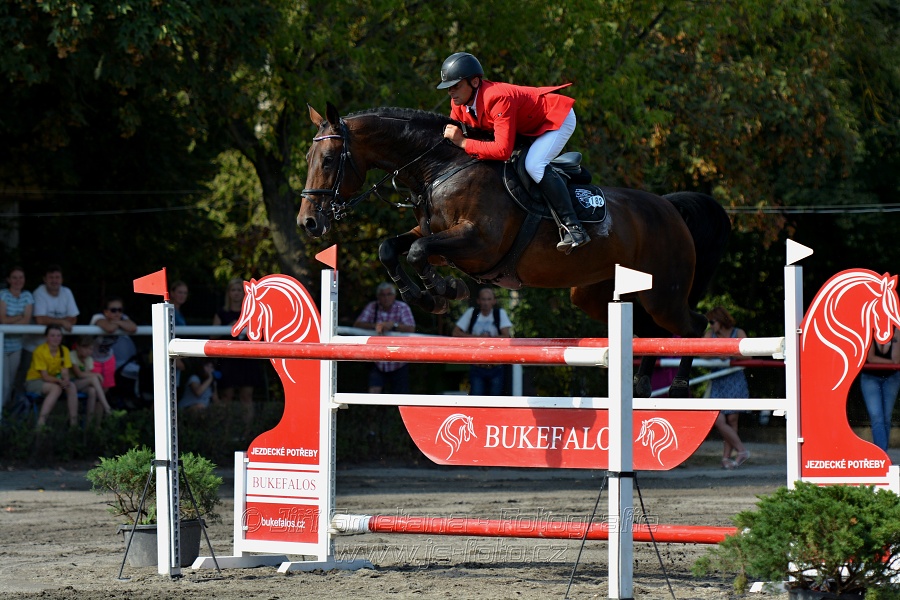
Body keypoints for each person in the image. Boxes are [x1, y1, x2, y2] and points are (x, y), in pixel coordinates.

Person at [437, 51, 590, 254]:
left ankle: (574, 227)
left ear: (474, 82)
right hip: (526, 126)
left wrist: (463, 142)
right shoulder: (459, 104)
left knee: (534, 165)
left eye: (456, 86)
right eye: (448, 87)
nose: (451, 92)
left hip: (555, 119)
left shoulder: (497, 98)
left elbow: (502, 150)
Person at [213, 278, 264, 437]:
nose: (236, 293)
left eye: (239, 290)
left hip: (248, 358)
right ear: (228, 293)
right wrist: (228, 328)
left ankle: (246, 434)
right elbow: (212, 337)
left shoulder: (253, 312)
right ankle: (225, 434)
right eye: (233, 290)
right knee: (227, 396)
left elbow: (261, 334)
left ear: (244, 293)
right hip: (228, 359)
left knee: (246, 396)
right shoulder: (221, 313)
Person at [704, 307, 751, 469]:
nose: (710, 325)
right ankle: (742, 450)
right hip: (717, 381)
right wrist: (717, 353)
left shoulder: (738, 332)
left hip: (734, 379)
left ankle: (726, 458)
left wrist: (729, 352)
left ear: (720, 320)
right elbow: (701, 352)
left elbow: (748, 355)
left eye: (712, 322)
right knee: (718, 419)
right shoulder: (710, 335)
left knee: (732, 420)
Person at [353, 282, 416, 393]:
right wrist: (375, 326)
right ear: (378, 296)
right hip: (378, 359)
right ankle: (374, 406)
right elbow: (357, 324)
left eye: (389, 294)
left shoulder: (402, 307)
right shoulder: (373, 307)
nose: (386, 298)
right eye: (383, 295)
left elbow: (411, 328)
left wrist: (394, 325)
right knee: (373, 392)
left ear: (394, 295)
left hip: (399, 360)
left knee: (400, 396)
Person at [452, 287, 513, 396]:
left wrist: (485, 340)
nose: (486, 303)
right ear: (478, 301)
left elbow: (506, 336)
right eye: (483, 299)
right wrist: (478, 338)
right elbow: (455, 333)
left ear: (494, 301)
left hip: (496, 365)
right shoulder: (472, 313)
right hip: (477, 364)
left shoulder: (499, 313)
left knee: (495, 400)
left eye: (489, 299)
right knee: (476, 398)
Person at [26, 325, 79, 428]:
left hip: (55, 381)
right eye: (52, 335)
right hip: (36, 381)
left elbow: (65, 372)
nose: (56, 338)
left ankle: (74, 423)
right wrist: (60, 381)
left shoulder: (64, 350)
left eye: (59, 336)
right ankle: (41, 424)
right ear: (46, 337)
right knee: (56, 389)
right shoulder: (39, 351)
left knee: (71, 386)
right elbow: (45, 376)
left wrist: (66, 380)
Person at [859, 327, 900, 452]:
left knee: (886, 417)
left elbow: (896, 359)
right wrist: (891, 362)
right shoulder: (870, 329)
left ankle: (883, 453)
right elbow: (871, 358)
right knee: (877, 416)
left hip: (891, 377)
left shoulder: (896, 331)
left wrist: (894, 339)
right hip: (870, 377)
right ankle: (881, 453)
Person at [89, 297, 138, 400]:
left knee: (105, 390)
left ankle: (101, 411)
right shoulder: (98, 317)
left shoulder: (121, 318)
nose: (117, 313)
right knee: (95, 389)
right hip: (92, 359)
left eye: (120, 310)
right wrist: (119, 323)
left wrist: (117, 322)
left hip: (107, 359)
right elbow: (109, 328)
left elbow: (133, 327)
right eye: (113, 310)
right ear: (105, 312)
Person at [0, 267, 34, 412]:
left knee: (11, 383)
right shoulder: (3, 294)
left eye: (21, 277)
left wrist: (12, 320)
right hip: (2, 345)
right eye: (14, 277)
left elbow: (26, 321)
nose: (18, 280)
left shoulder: (27, 296)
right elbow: (2, 319)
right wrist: (20, 316)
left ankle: (5, 412)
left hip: (17, 346)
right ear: (8, 280)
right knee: (4, 383)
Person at [71, 336, 112, 425]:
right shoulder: (72, 355)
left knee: (92, 390)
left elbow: (86, 375)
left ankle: (89, 424)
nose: (89, 351)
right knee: (93, 378)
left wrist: (89, 369)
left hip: (82, 384)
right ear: (78, 347)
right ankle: (107, 407)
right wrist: (96, 374)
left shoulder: (89, 359)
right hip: (72, 384)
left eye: (91, 349)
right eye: (86, 348)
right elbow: (79, 374)